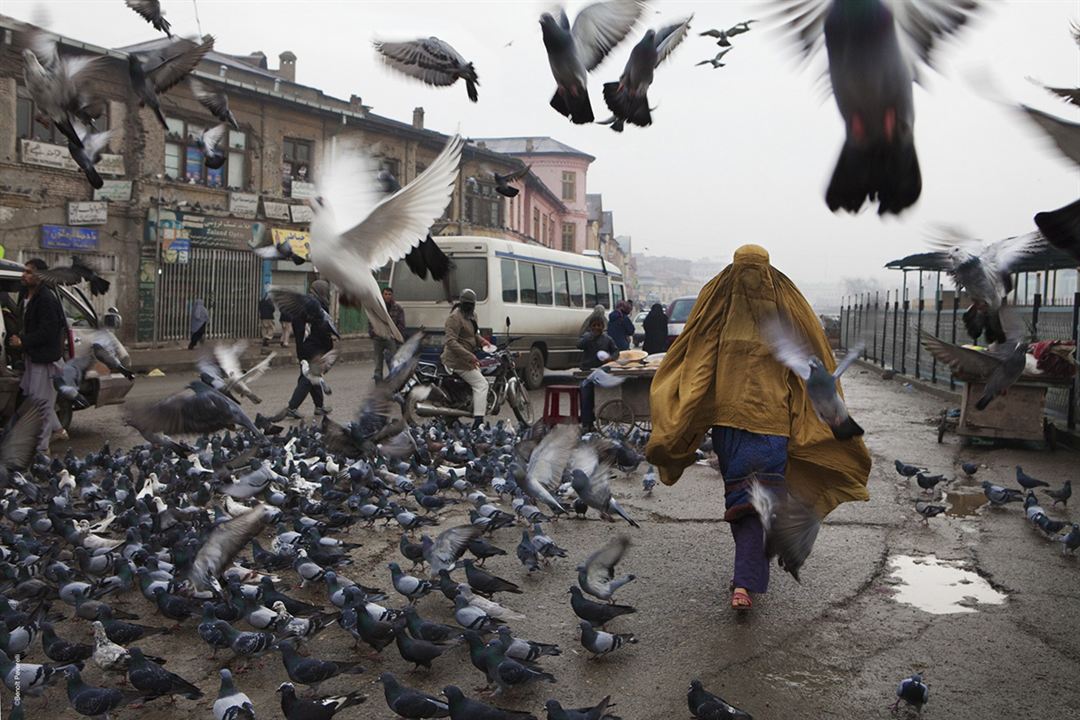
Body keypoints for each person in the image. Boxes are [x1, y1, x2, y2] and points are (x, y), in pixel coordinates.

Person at [646, 245, 870, 611]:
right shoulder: (761, 311)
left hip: (760, 429)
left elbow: (697, 367)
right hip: (747, 428)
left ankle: (745, 582)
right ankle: (755, 566)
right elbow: (699, 365)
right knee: (748, 500)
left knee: (751, 501)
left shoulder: (720, 311)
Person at [8, 259, 67, 450]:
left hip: (45, 360)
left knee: (40, 406)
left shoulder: (46, 299)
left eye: (29, 272)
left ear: (40, 277)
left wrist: (23, 341)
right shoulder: (26, 294)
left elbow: (48, 331)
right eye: (24, 271)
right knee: (37, 399)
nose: (24, 275)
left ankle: (41, 450)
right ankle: (58, 430)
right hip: (33, 357)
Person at [272, 280, 335, 420]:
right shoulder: (318, 306)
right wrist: (328, 345)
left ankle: (319, 406)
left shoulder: (304, 304)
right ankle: (293, 407)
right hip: (314, 347)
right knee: (308, 378)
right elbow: (322, 328)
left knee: (313, 376)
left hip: (304, 346)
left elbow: (297, 323)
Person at [441, 288, 487, 429]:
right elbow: (451, 341)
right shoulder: (454, 317)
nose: (469, 307)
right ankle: (478, 421)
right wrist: (470, 356)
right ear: (461, 303)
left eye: (471, 304)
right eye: (466, 304)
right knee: (482, 384)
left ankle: (457, 414)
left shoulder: (472, 316)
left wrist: (482, 341)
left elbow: (473, 334)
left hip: (467, 359)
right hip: (457, 361)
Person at [578, 313, 619, 432]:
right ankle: (587, 423)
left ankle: (602, 419)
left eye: (599, 325)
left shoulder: (607, 339)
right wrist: (590, 337)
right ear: (590, 327)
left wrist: (611, 358)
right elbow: (579, 345)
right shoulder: (586, 337)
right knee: (586, 397)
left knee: (603, 397)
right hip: (587, 372)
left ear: (603, 326)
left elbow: (616, 352)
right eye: (594, 325)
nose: (597, 328)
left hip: (602, 372)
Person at [371, 286, 406, 381]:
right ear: (382, 295)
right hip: (378, 338)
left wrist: (396, 335)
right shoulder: (377, 307)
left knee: (393, 360)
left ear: (392, 296)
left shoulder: (397, 308)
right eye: (385, 294)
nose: (387, 296)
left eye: (389, 294)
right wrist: (372, 333)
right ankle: (378, 381)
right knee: (378, 361)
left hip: (390, 338)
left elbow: (401, 324)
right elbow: (371, 320)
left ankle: (395, 379)